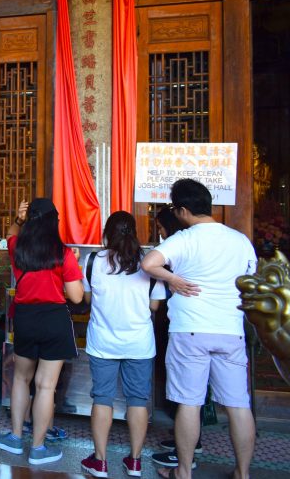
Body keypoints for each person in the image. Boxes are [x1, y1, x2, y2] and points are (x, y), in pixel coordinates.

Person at [141, 179, 258, 479]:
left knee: (189, 404)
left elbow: (148, 263)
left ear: (182, 210)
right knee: (238, 406)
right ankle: (243, 473)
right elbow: (251, 281)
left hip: (191, 330)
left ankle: (183, 471)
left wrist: (173, 280)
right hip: (230, 330)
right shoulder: (239, 240)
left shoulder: (185, 239)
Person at [0, 198, 84, 465]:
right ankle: (39, 449)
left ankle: (16, 438)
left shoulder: (17, 248)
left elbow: (9, 234)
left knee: (21, 380)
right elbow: (76, 297)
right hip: (54, 320)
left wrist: (18, 221)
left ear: (29, 221)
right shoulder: (63, 253)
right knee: (46, 386)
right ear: (55, 222)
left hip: (26, 319)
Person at [79, 211, 166, 478]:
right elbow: (155, 305)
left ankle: (101, 461)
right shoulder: (148, 262)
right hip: (139, 343)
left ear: (107, 233)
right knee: (137, 400)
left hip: (103, 341)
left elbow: (86, 299)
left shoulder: (93, 260)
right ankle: (136, 461)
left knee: (102, 397)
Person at [152, 205, 205, 469]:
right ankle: (188, 443)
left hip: (186, 328)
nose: (159, 234)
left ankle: (186, 454)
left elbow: (149, 265)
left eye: (161, 229)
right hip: (211, 328)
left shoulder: (177, 250)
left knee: (187, 395)